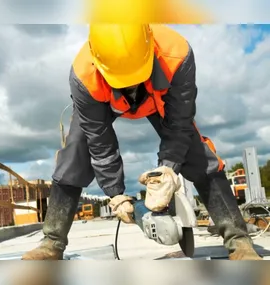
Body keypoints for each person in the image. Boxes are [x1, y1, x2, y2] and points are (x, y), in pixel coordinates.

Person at [21, 24, 262, 260]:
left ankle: (239, 241)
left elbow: (179, 124)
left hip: (159, 99)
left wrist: (166, 169)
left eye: (135, 77)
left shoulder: (177, 54)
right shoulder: (84, 75)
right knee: (74, 154)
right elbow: (100, 142)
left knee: (198, 154)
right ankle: (51, 242)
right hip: (102, 102)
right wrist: (115, 193)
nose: (130, 86)